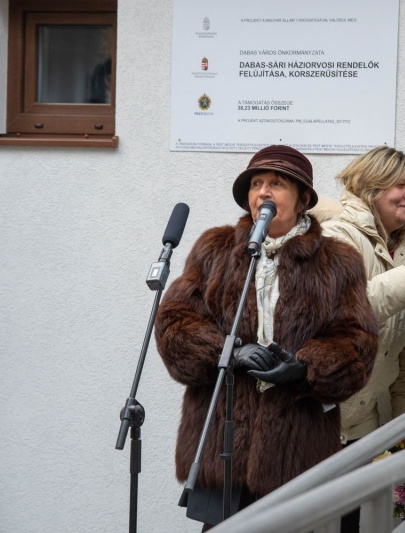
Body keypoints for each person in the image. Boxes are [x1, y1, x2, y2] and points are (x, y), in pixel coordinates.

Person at [154, 145, 379, 531]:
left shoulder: (338, 261)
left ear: (302, 199)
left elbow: (357, 343)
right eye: (256, 183)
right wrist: (228, 352)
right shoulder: (214, 250)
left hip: (296, 447)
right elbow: (174, 324)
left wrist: (305, 369)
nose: (263, 192)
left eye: (277, 184)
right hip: (222, 444)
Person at [316, 146, 405, 532]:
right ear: (372, 187)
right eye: (399, 185)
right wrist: (404, 280)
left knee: (362, 523)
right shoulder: (334, 237)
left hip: (367, 421)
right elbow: (334, 315)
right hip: (320, 420)